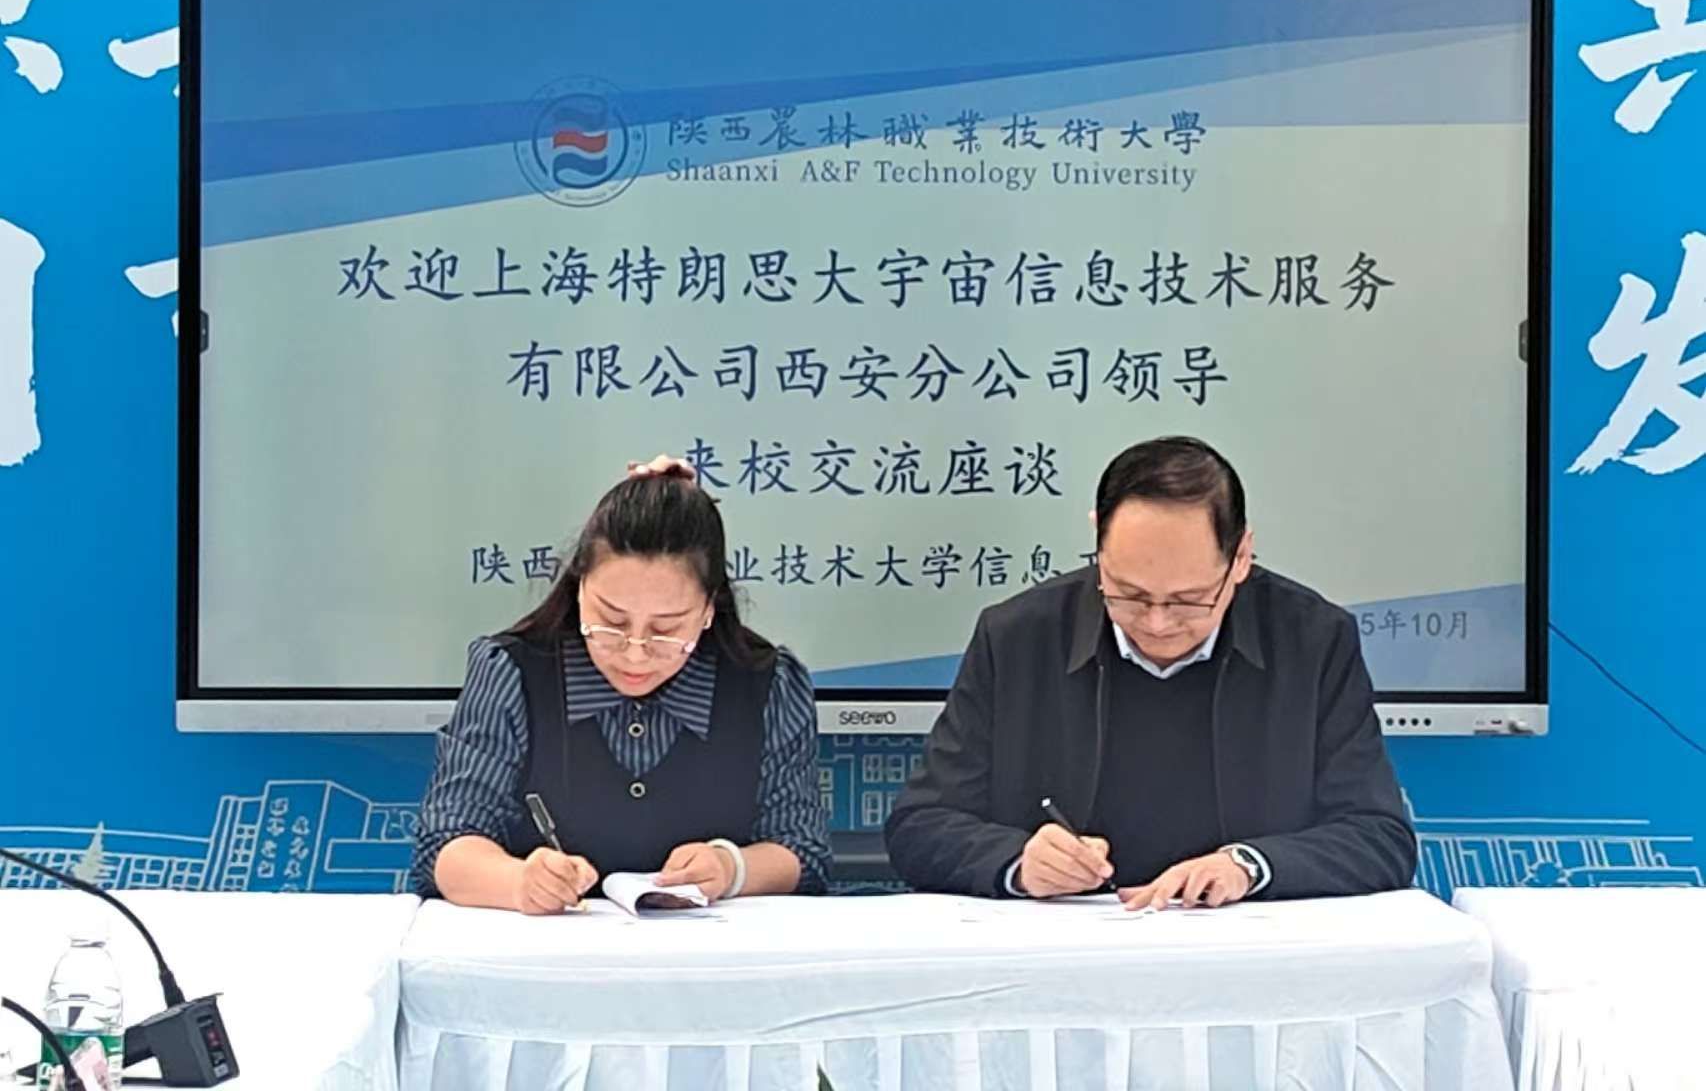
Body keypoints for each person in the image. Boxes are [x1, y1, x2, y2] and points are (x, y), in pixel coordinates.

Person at [884, 436, 1417, 909]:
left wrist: (1248, 867)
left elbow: (1379, 837)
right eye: (1129, 594)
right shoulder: (1018, 637)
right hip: (1062, 956)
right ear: (1098, 542)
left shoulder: (1312, 640)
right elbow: (921, 825)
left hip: (1244, 956)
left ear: (1242, 557)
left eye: (1188, 600)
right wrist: (1019, 862)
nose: (1157, 624)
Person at [411, 466, 831, 913]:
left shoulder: (767, 685)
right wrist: (519, 883)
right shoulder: (512, 672)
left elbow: (802, 849)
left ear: (709, 609)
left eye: (666, 629)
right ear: (579, 588)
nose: (635, 653)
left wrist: (732, 868)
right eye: (610, 621)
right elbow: (447, 841)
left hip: (710, 951)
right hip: (546, 948)